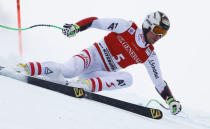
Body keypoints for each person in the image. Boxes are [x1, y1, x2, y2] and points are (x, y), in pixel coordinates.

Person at [20, 11, 182, 115]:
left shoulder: (149, 55)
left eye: (163, 34)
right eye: (158, 31)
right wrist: (76, 27)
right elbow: (95, 22)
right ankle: (27, 68)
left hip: (100, 73)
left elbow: (159, 82)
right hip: (93, 56)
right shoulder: (127, 27)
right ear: (148, 25)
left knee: (128, 79)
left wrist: (171, 100)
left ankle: (85, 85)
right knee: (68, 71)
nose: (159, 36)